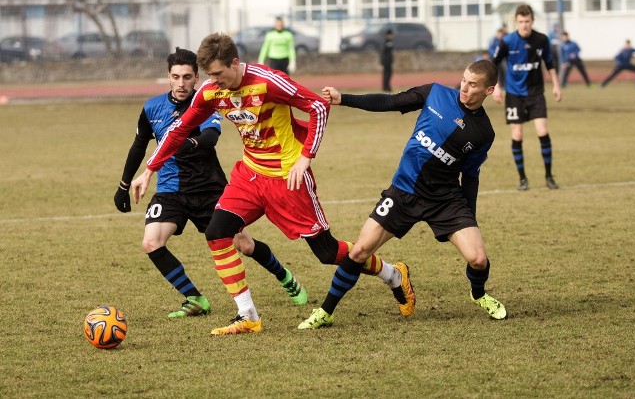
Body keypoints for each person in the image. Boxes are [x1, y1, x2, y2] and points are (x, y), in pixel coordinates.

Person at [131, 33, 415, 335]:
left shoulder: (267, 81)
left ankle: (392, 274)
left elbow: (317, 107)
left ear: (235, 63)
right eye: (209, 75)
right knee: (216, 232)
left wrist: (306, 157)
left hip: (287, 177)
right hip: (250, 176)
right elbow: (178, 130)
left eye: (217, 73)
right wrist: (149, 170)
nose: (213, 81)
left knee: (327, 253)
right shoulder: (211, 91)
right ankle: (248, 315)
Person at [298, 60, 507, 329]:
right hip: (404, 192)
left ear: (488, 91)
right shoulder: (435, 93)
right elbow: (390, 102)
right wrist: (343, 99)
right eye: (464, 80)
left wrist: (470, 217)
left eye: (473, 84)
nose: (464, 88)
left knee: (478, 259)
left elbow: (471, 175)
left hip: (444, 200)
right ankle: (326, 312)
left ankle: (479, 294)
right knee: (360, 250)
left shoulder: (484, 133)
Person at [114, 47, 307, 319]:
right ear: (168, 77)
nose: (181, 83)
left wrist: (186, 143)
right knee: (151, 242)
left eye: (187, 77)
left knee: (244, 244)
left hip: (209, 188)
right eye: (176, 77)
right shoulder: (152, 108)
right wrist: (123, 185)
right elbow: (138, 146)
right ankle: (194, 298)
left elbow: (210, 136)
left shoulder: (208, 101)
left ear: (196, 78)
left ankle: (285, 277)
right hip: (170, 190)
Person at [491, 4, 562, 191]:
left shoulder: (541, 39)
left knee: (542, 132)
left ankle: (549, 176)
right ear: (516, 21)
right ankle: (522, 179)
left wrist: (555, 85)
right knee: (517, 134)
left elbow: (549, 63)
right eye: (521, 22)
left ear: (532, 21)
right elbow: (493, 65)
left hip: (536, 93)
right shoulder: (507, 41)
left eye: (527, 21)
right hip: (514, 95)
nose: (524, 25)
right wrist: (496, 87)